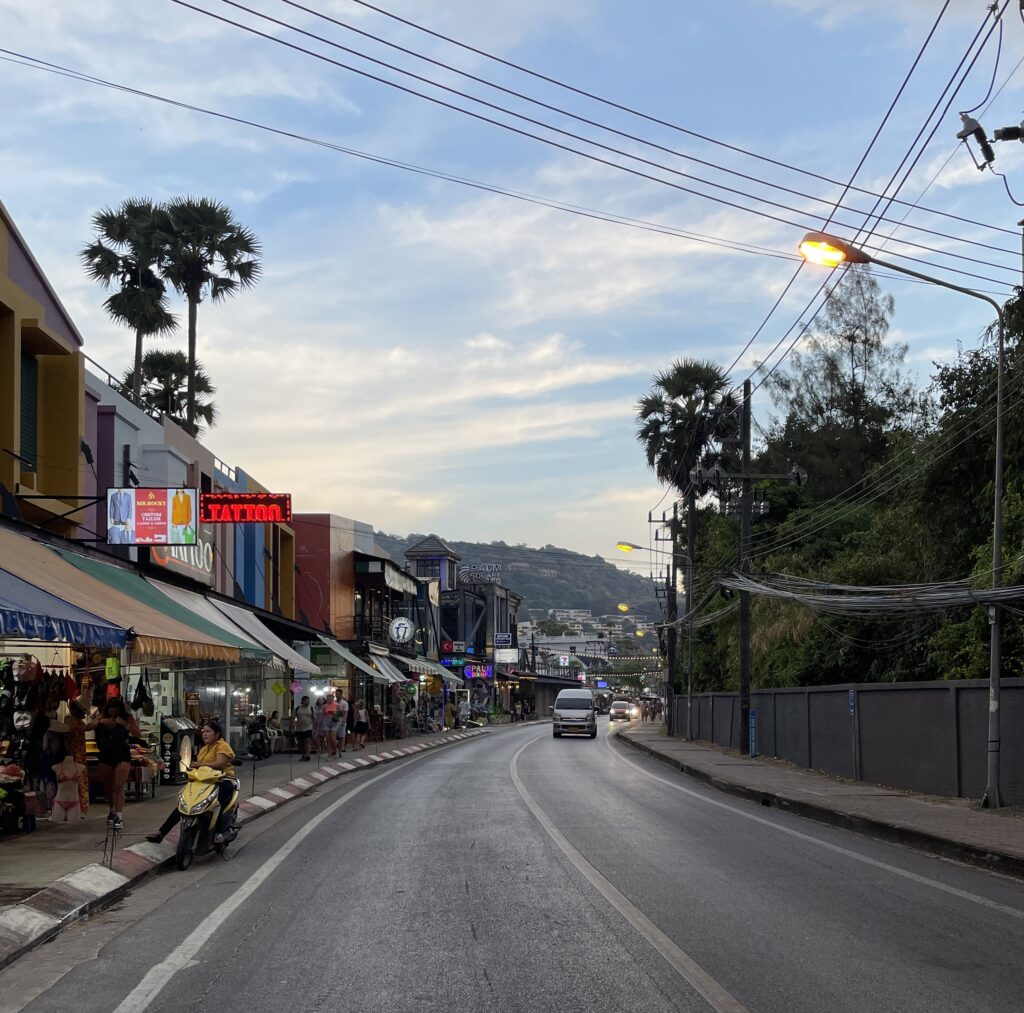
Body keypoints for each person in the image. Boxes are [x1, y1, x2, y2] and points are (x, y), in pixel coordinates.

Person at [146, 719, 236, 845]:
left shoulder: (222, 746)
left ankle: (221, 832)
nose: (204, 734)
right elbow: (199, 767)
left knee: (217, 803)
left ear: (217, 734)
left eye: (208, 731)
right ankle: (161, 833)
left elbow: (220, 763)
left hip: (222, 780)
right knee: (184, 803)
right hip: (203, 781)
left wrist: (199, 764)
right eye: (204, 731)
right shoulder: (204, 749)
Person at [87, 698, 141, 832]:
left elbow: (137, 733)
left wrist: (124, 724)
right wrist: (101, 721)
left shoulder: (126, 718)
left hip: (121, 753)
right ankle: (112, 809)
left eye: (115, 709)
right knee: (107, 787)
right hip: (105, 754)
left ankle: (119, 816)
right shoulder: (101, 717)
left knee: (118, 785)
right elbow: (86, 727)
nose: (113, 712)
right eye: (111, 709)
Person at [294, 695, 314, 761]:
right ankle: (303, 755)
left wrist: (314, 726)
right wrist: (291, 727)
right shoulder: (297, 708)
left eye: (308, 701)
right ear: (302, 701)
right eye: (306, 701)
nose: (308, 702)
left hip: (309, 727)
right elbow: (292, 718)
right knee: (301, 743)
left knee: (307, 741)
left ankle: (307, 755)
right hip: (299, 728)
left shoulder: (311, 708)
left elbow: (314, 718)